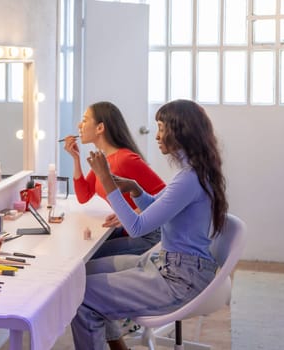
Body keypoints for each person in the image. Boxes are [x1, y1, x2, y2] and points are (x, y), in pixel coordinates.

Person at [70, 99, 228, 350]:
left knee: (80, 296)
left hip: (179, 278)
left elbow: (137, 227)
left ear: (180, 132)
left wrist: (107, 181)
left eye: (162, 128)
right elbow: (158, 206)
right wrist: (134, 189)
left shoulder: (189, 178)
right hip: (168, 263)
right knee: (81, 275)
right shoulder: (192, 172)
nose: (157, 136)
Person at [63, 101, 165, 258]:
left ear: (100, 128)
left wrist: (135, 212)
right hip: (131, 230)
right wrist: (76, 159)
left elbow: (164, 195)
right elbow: (84, 196)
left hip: (149, 236)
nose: (79, 125)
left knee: (87, 257)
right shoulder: (105, 159)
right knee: (80, 249)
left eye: (84, 120)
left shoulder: (125, 159)